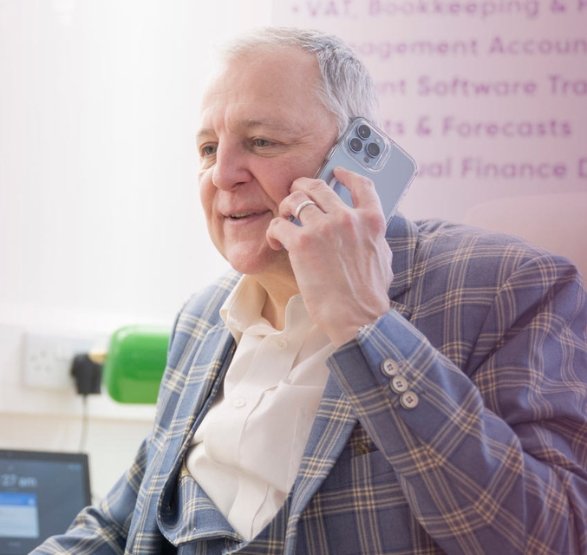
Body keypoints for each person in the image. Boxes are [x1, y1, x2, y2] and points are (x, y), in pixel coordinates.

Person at [34, 26, 587, 555]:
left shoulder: (505, 284)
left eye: (261, 141)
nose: (222, 174)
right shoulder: (202, 318)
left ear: (352, 163)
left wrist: (367, 325)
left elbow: (551, 537)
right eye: (207, 149)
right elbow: (121, 524)